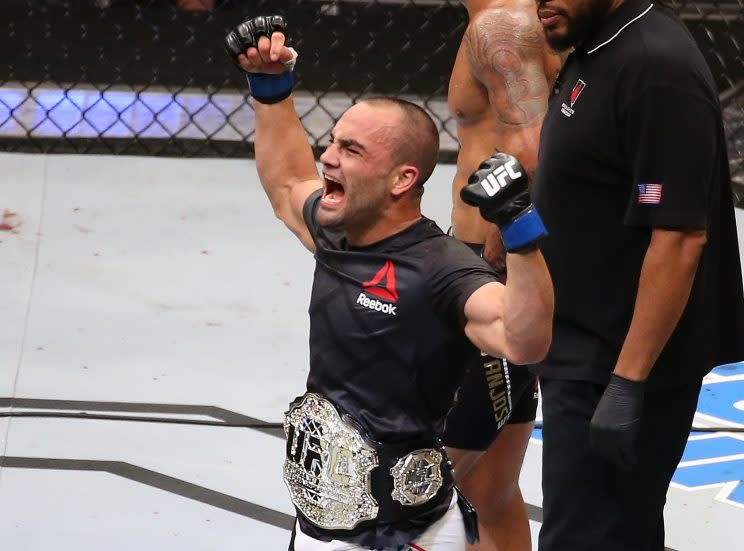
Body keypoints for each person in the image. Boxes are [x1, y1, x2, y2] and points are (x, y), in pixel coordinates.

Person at [224, 15, 555, 551]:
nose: (327, 157)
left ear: (403, 178)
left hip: (404, 531)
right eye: (332, 143)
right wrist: (270, 88)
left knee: (492, 487)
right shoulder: (338, 234)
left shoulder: (441, 269)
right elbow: (287, 182)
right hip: (323, 524)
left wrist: (520, 230)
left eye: (350, 150)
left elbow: (526, 341)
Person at [530, 0, 744, 549]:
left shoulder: (656, 68)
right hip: (581, 347)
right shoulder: (597, 43)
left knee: (589, 537)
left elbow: (678, 236)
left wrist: (627, 384)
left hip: (618, 365)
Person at [443, 1, 563, 550]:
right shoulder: (495, 15)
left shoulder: (503, 23)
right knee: (489, 487)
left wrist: (496, 260)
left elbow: (532, 156)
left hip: (489, 261)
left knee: (430, 471)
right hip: (488, 255)